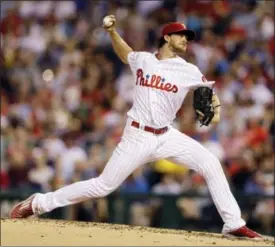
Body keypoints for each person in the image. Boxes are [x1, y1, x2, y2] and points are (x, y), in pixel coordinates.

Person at [10, 15, 262, 240]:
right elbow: (126, 53)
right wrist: (112, 32)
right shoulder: (143, 60)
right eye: (181, 35)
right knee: (103, 186)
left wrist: (213, 105)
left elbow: (208, 93)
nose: (186, 40)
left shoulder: (188, 70)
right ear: (167, 37)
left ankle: (233, 223)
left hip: (166, 135)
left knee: (210, 162)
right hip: (137, 136)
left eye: (187, 36)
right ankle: (39, 203)